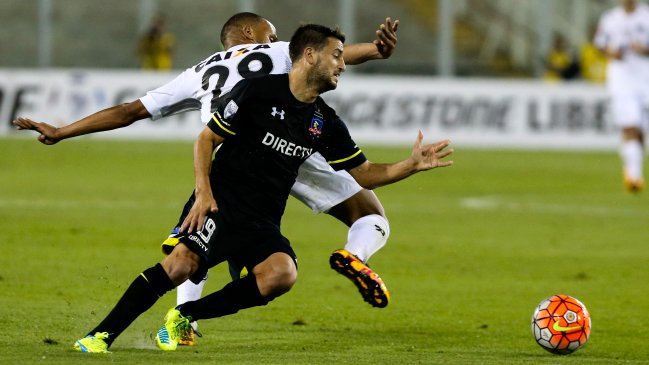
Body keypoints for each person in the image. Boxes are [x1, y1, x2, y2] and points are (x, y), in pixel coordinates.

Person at [13, 12, 400, 344]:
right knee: (368, 212)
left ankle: (186, 318)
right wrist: (376, 51)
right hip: (292, 146)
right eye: (271, 33)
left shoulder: (196, 73)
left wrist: (63, 131)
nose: (277, 40)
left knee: (207, 234)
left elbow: (130, 111)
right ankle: (354, 254)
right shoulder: (279, 52)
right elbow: (329, 56)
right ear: (250, 34)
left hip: (234, 160)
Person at [594, 0, 649, 193]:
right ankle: (634, 177)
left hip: (645, 79)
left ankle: (631, 164)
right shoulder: (610, 19)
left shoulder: (647, 16)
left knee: (641, 131)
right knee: (630, 125)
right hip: (622, 82)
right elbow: (600, 45)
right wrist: (612, 53)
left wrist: (644, 49)